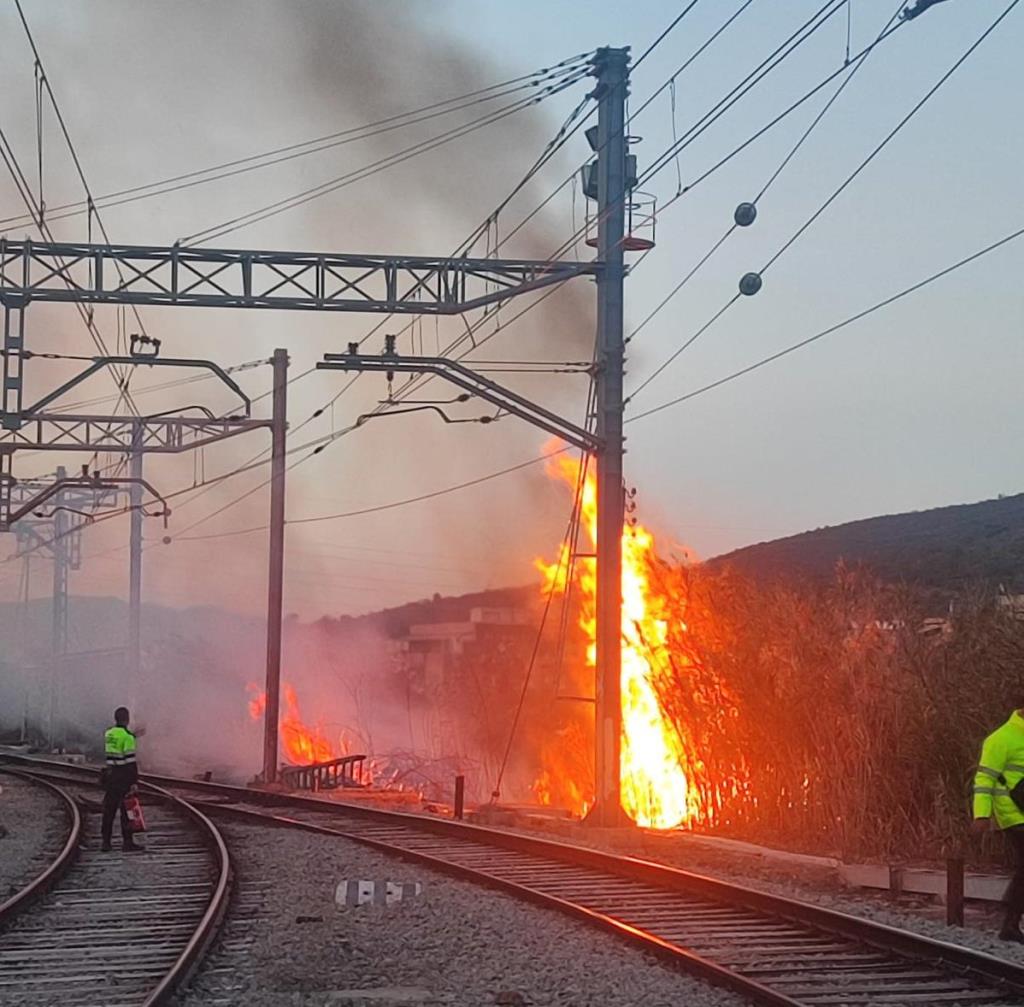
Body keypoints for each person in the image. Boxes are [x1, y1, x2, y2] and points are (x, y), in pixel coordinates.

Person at [972, 708, 1024, 941]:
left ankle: (1010, 924)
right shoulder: (1000, 739)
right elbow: (984, 780)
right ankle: (1010, 924)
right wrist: (981, 815)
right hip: (1013, 811)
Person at [101, 706, 142, 852]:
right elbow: (130, 762)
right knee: (126, 811)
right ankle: (127, 842)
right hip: (123, 777)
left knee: (109, 810)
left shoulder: (109, 734)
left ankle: (106, 842)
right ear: (128, 719)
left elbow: (119, 741)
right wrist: (134, 781)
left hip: (111, 775)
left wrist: (133, 735)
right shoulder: (128, 737)